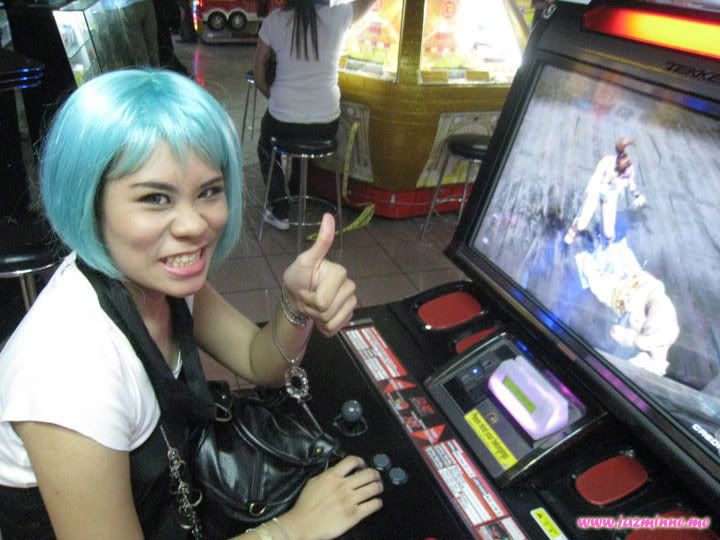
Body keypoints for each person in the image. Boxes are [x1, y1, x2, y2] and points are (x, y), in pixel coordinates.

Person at [0, 69, 382, 539]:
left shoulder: (156, 281)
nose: (195, 225)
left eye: (209, 191)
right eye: (155, 198)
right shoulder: (68, 373)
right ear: (89, 202)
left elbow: (258, 360)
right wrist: (293, 528)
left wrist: (296, 304)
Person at [254, 0, 375, 230]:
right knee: (305, 136)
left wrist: (272, 94)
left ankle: (279, 210)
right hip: (325, 123)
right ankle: (297, 188)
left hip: (283, 119)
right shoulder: (338, 16)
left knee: (265, 147)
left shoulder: (274, 21)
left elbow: (258, 70)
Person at [564, 138, 646, 245]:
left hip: (611, 195)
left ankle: (607, 245)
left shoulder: (629, 169)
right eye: (620, 173)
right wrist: (594, 193)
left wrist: (637, 195)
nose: (621, 175)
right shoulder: (606, 162)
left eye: (623, 175)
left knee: (609, 233)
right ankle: (574, 229)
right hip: (597, 190)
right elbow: (595, 180)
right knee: (582, 223)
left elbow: (631, 184)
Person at [609, 271, 680, 376]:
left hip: (622, 290)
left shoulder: (661, 337)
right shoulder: (663, 327)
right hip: (626, 282)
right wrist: (631, 340)